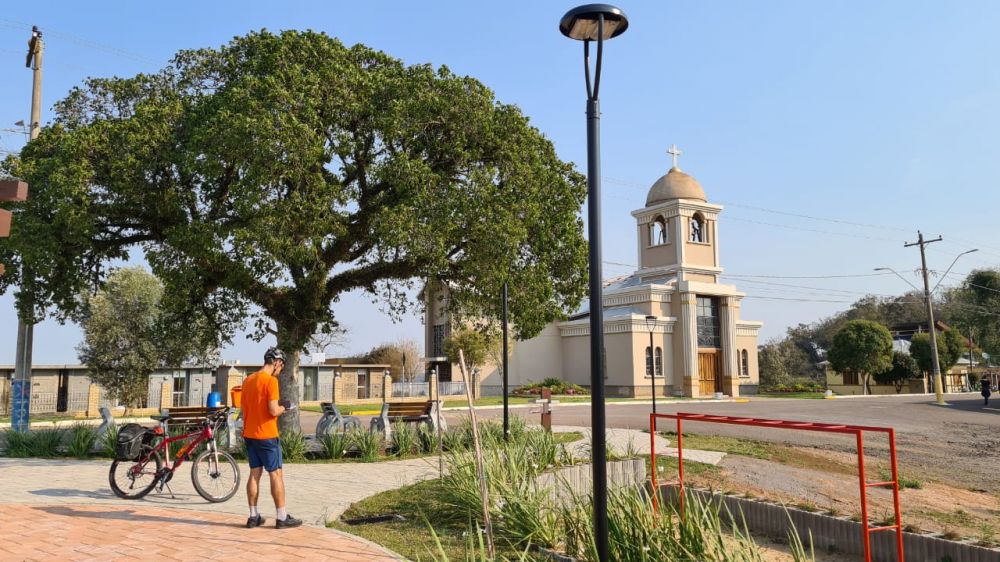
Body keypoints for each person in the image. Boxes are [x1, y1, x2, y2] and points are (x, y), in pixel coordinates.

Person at [242, 347, 302, 529]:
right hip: (267, 436)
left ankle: (253, 516)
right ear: (276, 362)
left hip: (250, 434)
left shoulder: (248, 380)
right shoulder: (271, 382)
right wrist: (285, 407)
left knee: (254, 474)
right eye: (281, 366)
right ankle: (282, 517)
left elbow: (244, 409)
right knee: (275, 474)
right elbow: (273, 410)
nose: (280, 370)